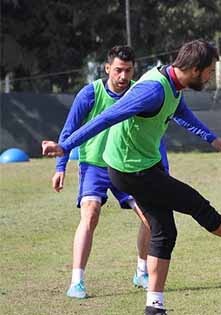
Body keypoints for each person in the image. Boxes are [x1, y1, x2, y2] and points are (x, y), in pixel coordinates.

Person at [42, 39, 221, 315]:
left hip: (144, 166)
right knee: (198, 207)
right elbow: (107, 117)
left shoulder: (172, 81)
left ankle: (154, 306)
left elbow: (179, 109)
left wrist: (211, 138)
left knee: (163, 230)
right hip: (132, 170)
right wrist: (65, 147)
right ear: (195, 69)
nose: (210, 76)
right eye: (209, 71)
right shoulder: (152, 90)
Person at [54, 46, 153, 298]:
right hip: (94, 166)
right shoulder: (90, 93)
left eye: (128, 71)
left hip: (126, 165)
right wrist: (60, 167)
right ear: (107, 68)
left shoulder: (138, 94)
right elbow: (68, 131)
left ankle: (141, 271)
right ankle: (76, 282)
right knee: (90, 214)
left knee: (150, 217)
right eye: (118, 70)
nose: (122, 76)